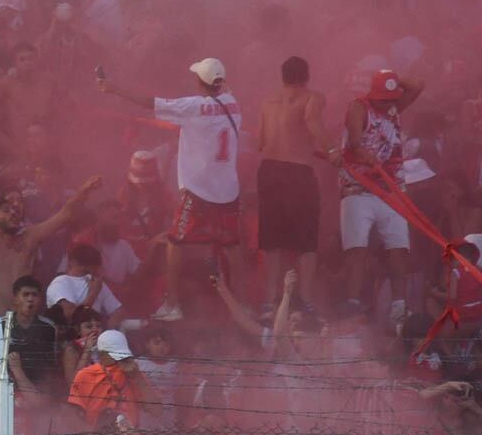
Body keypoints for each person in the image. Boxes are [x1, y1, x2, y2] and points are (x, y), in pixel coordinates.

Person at [100, 57, 242, 321]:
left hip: (199, 193)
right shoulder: (233, 103)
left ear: (199, 82)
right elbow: (223, 91)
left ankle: (173, 304)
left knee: (176, 242)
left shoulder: (193, 107)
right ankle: (244, 303)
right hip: (229, 192)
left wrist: (114, 88)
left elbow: (149, 103)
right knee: (232, 245)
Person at [0, 176, 101, 318]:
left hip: (24, 327)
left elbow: (66, 214)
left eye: (15, 210)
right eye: (6, 211)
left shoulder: (29, 238)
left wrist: (84, 190)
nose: (13, 212)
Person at [338, 69, 423, 323]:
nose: (389, 103)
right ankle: (353, 303)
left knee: (398, 247)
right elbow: (354, 141)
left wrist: (392, 78)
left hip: (391, 190)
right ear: (373, 95)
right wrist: (365, 155)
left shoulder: (395, 106)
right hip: (358, 188)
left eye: (391, 98)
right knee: (357, 249)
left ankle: (399, 307)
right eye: (384, 98)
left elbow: (418, 83)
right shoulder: (358, 107)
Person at [257, 56, 328, 313]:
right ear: (306, 76)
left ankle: (269, 301)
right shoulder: (313, 97)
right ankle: (306, 301)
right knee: (306, 241)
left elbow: (261, 141)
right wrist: (331, 151)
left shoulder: (267, 101)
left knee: (272, 240)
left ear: (282, 76)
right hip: (297, 172)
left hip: (268, 171)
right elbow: (312, 121)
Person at [66, 329, 152, 428]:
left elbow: (156, 410)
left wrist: (138, 378)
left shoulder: (133, 373)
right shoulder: (86, 375)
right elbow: (74, 415)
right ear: (101, 353)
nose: (118, 358)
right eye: (113, 353)